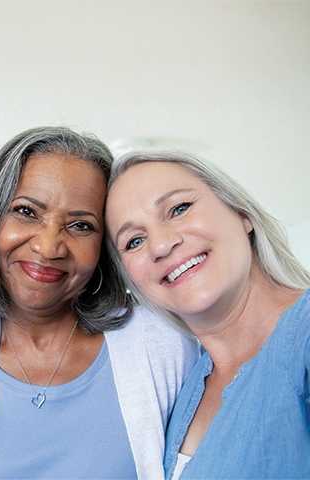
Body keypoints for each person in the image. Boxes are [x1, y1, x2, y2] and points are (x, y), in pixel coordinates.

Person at [0, 126, 199, 479]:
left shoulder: (163, 344)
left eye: (80, 225)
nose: (48, 247)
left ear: (104, 244)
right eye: (27, 212)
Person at [104, 151, 310, 479]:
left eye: (179, 209)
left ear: (241, 213)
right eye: (134, 241)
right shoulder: (186, 388)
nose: (161, 245)